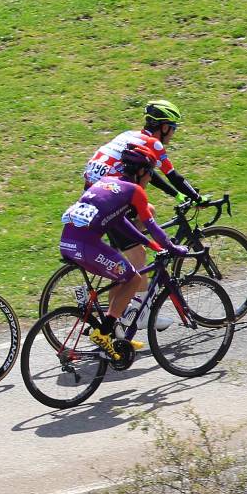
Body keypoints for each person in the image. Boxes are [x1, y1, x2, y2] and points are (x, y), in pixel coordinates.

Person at [82, 99, 204, 328]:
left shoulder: (130, 135)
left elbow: (147, 173)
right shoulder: (154, 144)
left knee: (148, 213)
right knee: (138, 256)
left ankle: (117, 292)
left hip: (96, 191)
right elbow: (173, 176)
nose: (173, 134)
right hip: (110, 197)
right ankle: (144, 313)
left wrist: (177, 196)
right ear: (164, 127)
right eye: (173, 128)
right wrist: (197, 197)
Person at [60, 146, 186, 361]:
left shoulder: (108, 183)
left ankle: (117, 335)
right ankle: (103, 332)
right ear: (141, 172)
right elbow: (152, 225)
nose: (150, 178)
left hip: (67, 243)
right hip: (86, 246)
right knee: (133, 278)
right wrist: (173, 248)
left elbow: (120, 222)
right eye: (150, 173)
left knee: (120, 277)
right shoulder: (135, 191)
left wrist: (149, 244)